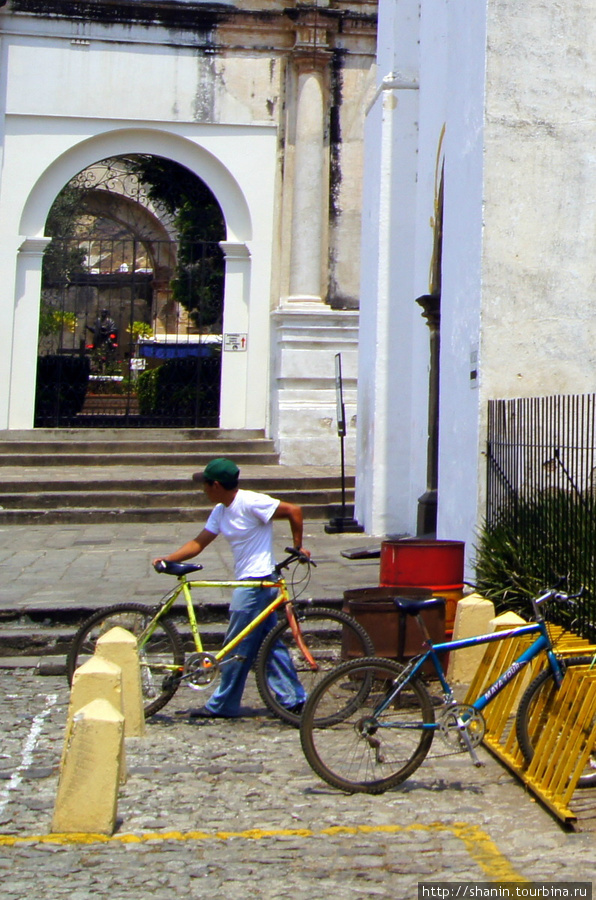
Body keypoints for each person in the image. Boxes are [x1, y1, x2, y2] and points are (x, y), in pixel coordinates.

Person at [152, 457, 309, 719]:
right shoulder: (221, 511)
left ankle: (223, 704)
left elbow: (294, 510)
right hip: (252, 582)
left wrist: (297, 545)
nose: (203, 490)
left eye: (205, 485)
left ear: (215, 485)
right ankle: (293, 698)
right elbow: (199, 543)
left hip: (256, 583)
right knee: (268, 645)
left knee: (236, 646)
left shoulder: (250, 501)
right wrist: (170, 559)